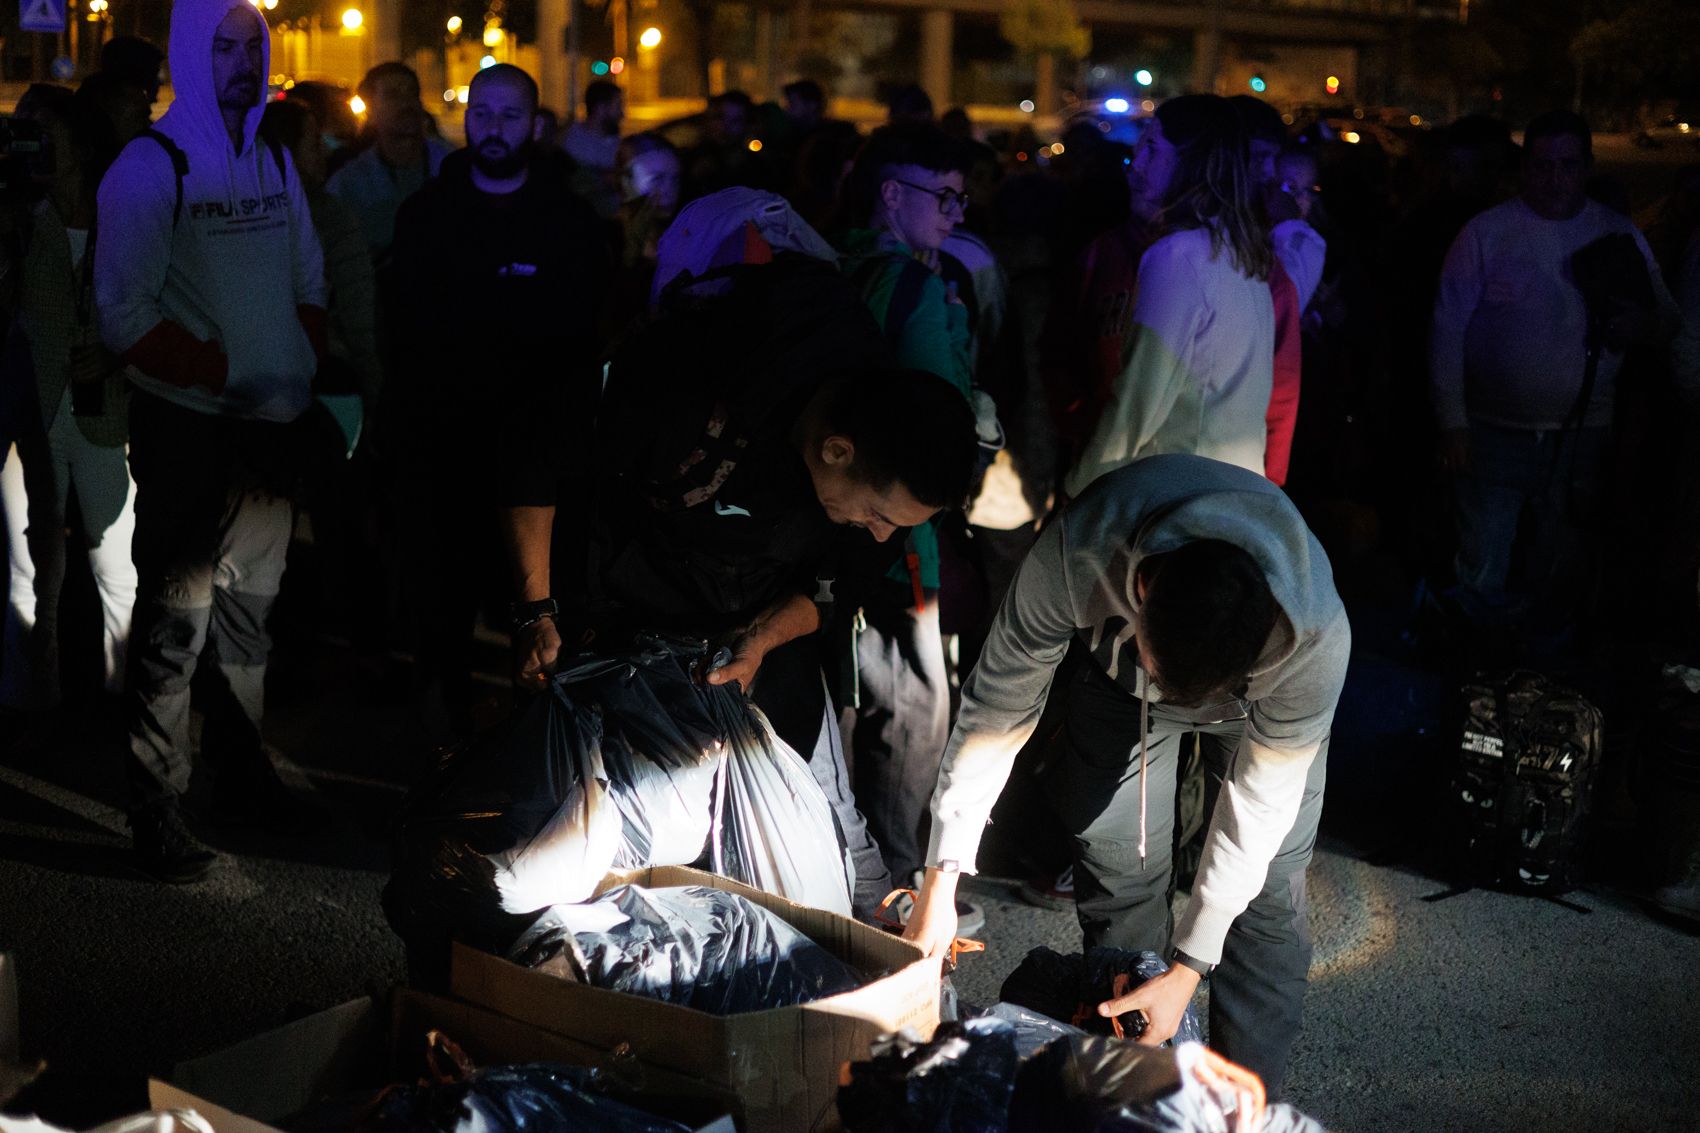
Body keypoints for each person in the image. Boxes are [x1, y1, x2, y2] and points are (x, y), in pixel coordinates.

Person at [904, 454, 1349, 1100]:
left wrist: (1190, 967)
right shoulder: (1077, 549)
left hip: (1262, 706)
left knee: (1269, 891)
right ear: (1141, 593)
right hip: (1118, 686)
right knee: (1118, 872)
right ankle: (1137, 1091)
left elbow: (1258, 808)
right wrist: (942, 876)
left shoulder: (1316, 636)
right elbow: (998, 708)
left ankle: (1243, 1103)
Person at [95, 0, 327, 881]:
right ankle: (156, 807)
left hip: (269, 430)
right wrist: (222, 369)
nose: (239, 62)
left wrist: (292, 356)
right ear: (193, 54)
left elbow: (306, 270)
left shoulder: (270, 155)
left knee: (247, 622)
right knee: (173, 625)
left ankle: (240, 773)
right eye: (222, 46)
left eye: (251, 46)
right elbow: (122, 312)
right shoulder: (151, 167)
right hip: (189, 430)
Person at [386, 63, 609, 733]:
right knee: (443, 618)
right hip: (444, 452)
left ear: (534, 122)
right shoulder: (426, 215)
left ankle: (530, 767)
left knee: (533, 622)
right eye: (482, 112)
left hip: (539, 461)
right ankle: (443, 759)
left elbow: (586, 336)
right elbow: (401, 332)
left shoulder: (568, 220)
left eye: (509, 114)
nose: (492, 127)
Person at [1431, 110, 1675, 647]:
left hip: (1583, 434)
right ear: (1525, 168)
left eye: (1568, 165)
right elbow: (1448, 329)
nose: (1555, 179)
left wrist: (1639, 325)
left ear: (1586, 167)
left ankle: (1544, 677)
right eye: (1543, 166)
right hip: (1493, 432)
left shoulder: (1615, 233)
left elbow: (1665, 320)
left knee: (1561, 566)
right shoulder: (1486, 233)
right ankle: (1474, 668)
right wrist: (1454, 422)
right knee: (1482, 562)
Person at [835, 122, 983, 922]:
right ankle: (892, 877)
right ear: (893, 194)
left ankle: (838, 864)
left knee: (848, 695)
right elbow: (941, 413)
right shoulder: (918, 288)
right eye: (945, 196)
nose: (956, 213)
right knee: (917, 702)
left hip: (832, 511)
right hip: (900, 532)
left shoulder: (836, 265)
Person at [0, 87, 136, 713]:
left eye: (42, 132)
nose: (32, 145)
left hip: (104, 408)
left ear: (78, 144)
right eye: (22, 132)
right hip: (33, 407)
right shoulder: (22, 215)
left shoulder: (124, 212)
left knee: (117, 568)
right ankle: (31, 701)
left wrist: (116, 352)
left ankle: (123, 697)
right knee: (27, 573)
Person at [1065, 95, 1275, 496]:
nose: (1136, 164)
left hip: (1177, 494)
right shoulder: (1241, 255)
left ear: (1190, 161)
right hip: (1235, 491)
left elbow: (1139, 398)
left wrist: (1084, 489)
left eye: (1152, 149)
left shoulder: (1178, 257)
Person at [325, 62, 450, 260]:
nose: (406, 103)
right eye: (393, 95)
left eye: (412, 92)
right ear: (371, 111)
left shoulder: (452, 167)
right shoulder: (348, 184)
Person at [560, 80, 624, 218]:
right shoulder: (574, 141)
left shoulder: (617, 142)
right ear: (600, 108)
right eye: (618, 106)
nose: (622, 113)